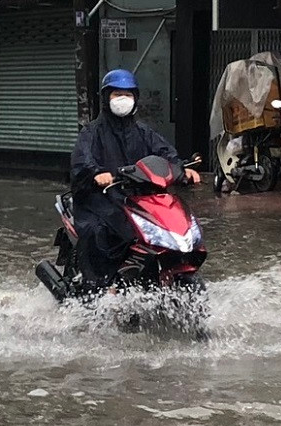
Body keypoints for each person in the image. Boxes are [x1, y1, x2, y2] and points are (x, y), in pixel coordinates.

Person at [70, 69, 200, 286]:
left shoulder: (142, 131)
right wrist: (96, 173)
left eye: (128, 95)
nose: (123, 99)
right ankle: (97, 286)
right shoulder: (92, 132)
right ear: (106, 98)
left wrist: (182, 169)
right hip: (100, 199)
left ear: (135, 98)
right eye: (117, 94)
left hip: (138, 198)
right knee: (98, 232)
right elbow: (82, 160)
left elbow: (165, 153)